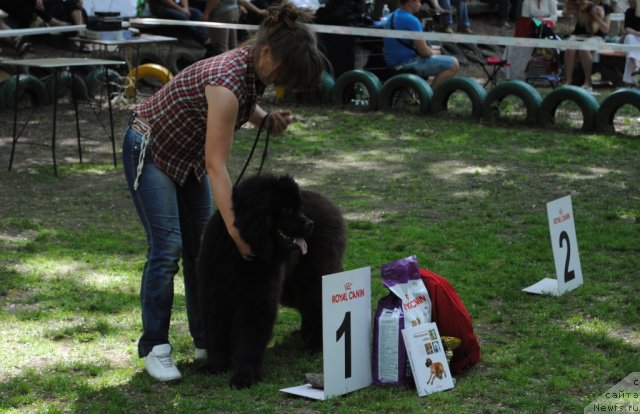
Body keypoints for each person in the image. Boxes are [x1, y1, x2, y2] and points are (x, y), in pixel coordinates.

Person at [122, 2, 328, 382]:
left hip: (188, 158)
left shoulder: (251, 69)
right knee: (167, 249)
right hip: (150, 149)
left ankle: (207, 340)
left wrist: (265, 119)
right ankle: (155, 346)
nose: (282, 84)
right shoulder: (227, 81)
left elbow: (240, 105)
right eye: (285, 75)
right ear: (267, 54)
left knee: (201, 251)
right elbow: (217, 165)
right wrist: (236, 232)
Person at [384, 0, 459, 88]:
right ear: (411, 2)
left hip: (392, 62)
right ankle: (431, 96)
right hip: (406, 64)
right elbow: (424, 52)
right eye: (418, 2)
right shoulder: (412, 20)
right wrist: (434, 52)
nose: (420, 5)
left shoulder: (391, 16)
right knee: (453, 64)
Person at [563, 0, 611, 91]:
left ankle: (587, 81)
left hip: (597, 36)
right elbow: (565, 12)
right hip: (578, 34)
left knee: (583, 48)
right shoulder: (581, 3)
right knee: (570, 48)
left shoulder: (606, 8)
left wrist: (595, 16)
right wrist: (575, 10)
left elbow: (605, 29)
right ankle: (568, 80)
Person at [503, 0, 558, 80]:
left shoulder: (551, 1)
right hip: (531, 31)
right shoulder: (527, 2)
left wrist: (541, 20)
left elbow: (554, 18)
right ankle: (515, 73)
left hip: (547, 31)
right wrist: (536, 21)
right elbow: (525, 19)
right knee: (513, 46)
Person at [622, 0, 640, 86]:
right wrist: (637, 33)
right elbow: (627, 29)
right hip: (634, 37)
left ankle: (630, 81)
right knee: (629, 39)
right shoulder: (629, 12)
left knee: (631, 51)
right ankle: (636, 66)